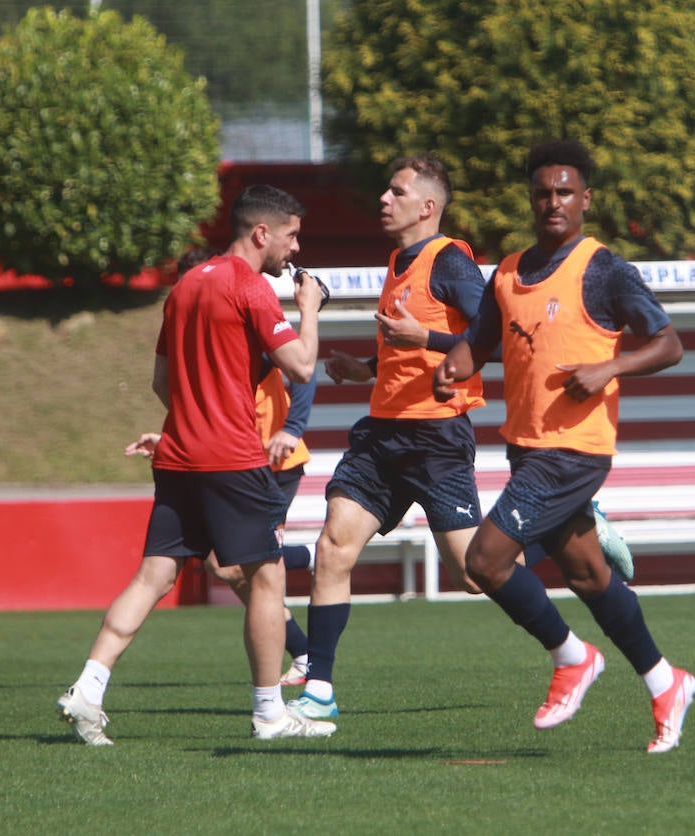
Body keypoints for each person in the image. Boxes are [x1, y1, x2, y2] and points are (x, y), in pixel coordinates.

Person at [432, 139, 695, 754]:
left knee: (485, 560)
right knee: (588, 575)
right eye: (542, 193)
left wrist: (611, 369)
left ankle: (572, 658)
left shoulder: (603, 268)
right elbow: (482, 341)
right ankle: (666, 682)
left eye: (564, 192)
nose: (553, 201)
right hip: (528, 449)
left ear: (585, 199)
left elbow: (669, 344)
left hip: (574, 451)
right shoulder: (507, 271)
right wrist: (455, 365)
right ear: (531, 199)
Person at [55, 184, 333, 745]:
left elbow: (161, 380)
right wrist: (308, 309)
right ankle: (270, 714)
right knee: (267, 577)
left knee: (153, 574)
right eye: (291, 235)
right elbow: (301, 366)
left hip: (179, 456)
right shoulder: (251, 288)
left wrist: (194, 420)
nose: (294, 249)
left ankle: (89, 687)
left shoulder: (184, 286)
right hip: (231, 459)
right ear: (261, 233)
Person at [286, 154, 489, 722]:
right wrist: (370, 367)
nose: (383, 198)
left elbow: (487, 337)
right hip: (382, 436)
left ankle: (571, 523)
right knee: (333, 549)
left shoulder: (450, 261)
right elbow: (411, 344)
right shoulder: (400, 260)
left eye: (396, 192)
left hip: (437, 438)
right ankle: (319, 690)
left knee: (473, 576)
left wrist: (420, 335)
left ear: (427, 207)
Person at [125, 245, 317, 687]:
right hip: (228, 459)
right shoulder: (200, 324)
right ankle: (302, 642)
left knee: (240, 566)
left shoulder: (239, 315)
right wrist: (180, 436)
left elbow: (305, 373)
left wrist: (292, 428)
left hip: (271, 459)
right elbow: (181, 392)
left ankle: (300, 640)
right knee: (224, 565)